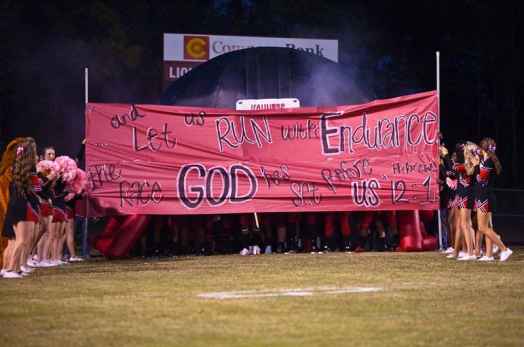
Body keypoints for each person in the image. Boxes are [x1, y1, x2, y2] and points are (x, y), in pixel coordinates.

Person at [1, 138, 39, 278]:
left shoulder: (20, 168)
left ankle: (15, 269)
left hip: (18, 205)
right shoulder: (25, 169)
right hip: (19, 206)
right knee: (21, 240)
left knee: (20, 240)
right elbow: (33, 190)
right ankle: (10, 269)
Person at [473, 142, 512, 261]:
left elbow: (482, 178)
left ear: (483, 148)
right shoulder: (486, 161)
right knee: (487, 226)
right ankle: (489, 255)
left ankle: (504, 249)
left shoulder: (489, 162)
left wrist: (475, 166)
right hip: (484, 196)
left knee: (482, 227)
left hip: (485, 197)